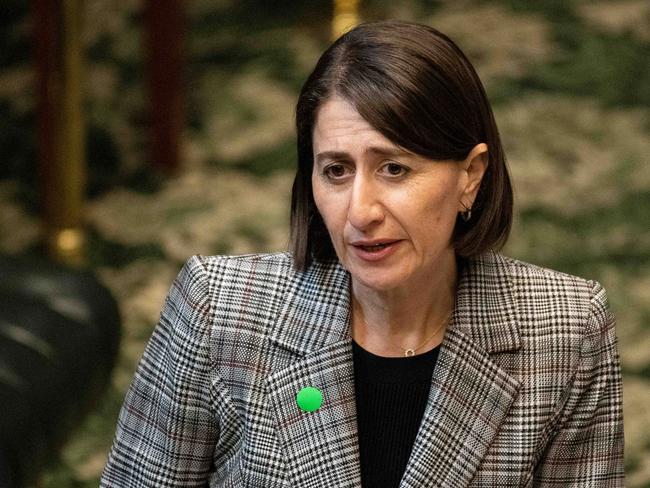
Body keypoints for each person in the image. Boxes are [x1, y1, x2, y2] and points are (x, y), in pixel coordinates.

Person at [101, 20, 624, 487]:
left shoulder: (567, 331)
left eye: (394, 168)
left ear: (471, 175)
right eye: (336, 170)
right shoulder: (219, 311)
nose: (360, 211)